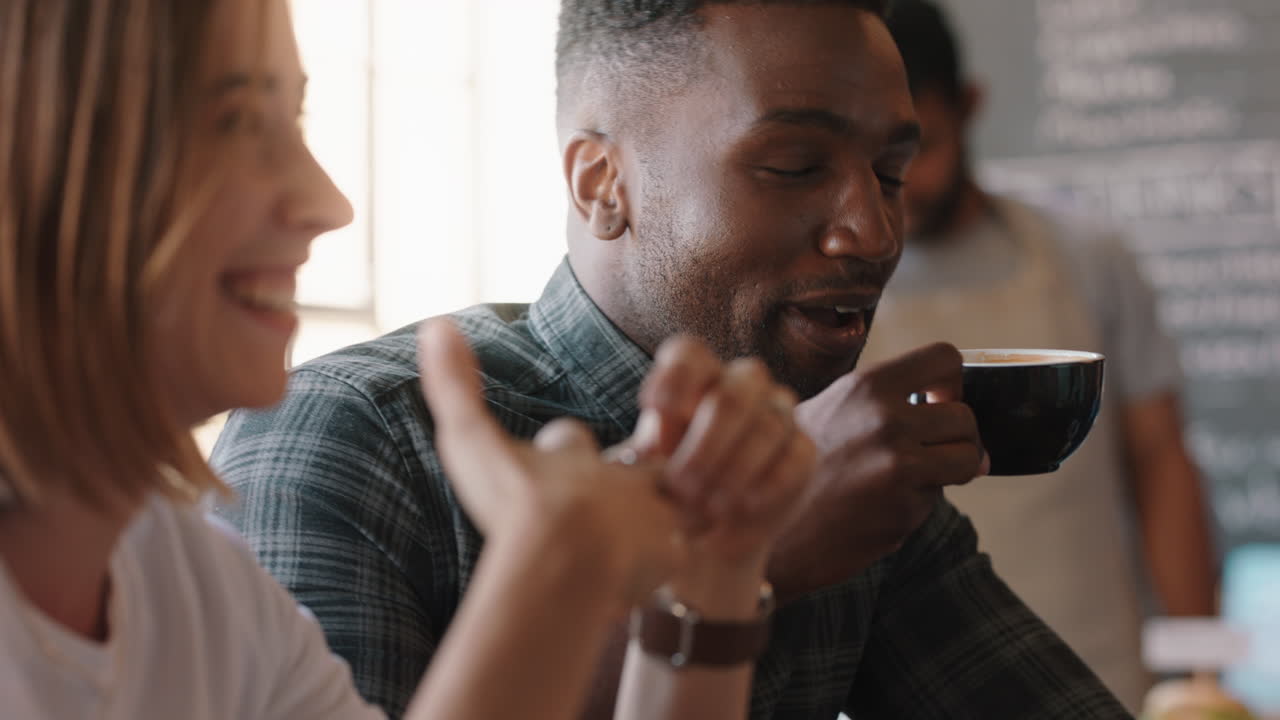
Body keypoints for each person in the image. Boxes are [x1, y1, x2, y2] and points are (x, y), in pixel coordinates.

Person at [212, 1, 1135, 718]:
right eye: (795, 166)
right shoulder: (351, 440)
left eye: (889, 174)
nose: (873, 229)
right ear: (601, 183)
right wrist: (752, 559)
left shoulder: (831, 457)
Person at [0, 0, 817, 718]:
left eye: (299, 121)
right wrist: (555, 564)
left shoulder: (203, 591)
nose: (328, 202)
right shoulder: (339, 439)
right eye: (239, 123)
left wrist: (714, 569)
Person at [855, 1, 1218, 711]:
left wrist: (1200, 671)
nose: (904, 188)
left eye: (917, 149)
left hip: (1101, 668)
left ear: (969, 107)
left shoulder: (1086, 256)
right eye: (876, 162)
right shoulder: (832, 294)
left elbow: (1161, 462)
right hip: (911, 684)